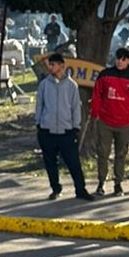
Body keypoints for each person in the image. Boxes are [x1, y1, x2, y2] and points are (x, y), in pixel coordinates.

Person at [35, 52, 94, 201]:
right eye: (49, 65)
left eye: (53, 64)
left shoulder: (71, 85)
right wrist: (39, 124)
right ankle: (55, 188)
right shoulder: (44, 85)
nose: (51, 67)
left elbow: (75, 107)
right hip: (47, 130)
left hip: (66, 131)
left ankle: (80, 190)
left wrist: (75, 127)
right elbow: (39, 105)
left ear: (62, 66)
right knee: (50, 163)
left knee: (73, 163)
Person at [86, 47, 129, 196]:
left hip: (125, 123)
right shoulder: (105, 74)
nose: (120, 62)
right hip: (105, 121)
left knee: (121, 154)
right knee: (102, 153)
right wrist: (95, 114)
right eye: (118, 58)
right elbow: (97, 95)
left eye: (124, 59)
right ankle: (101, 183)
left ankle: (118, 184)